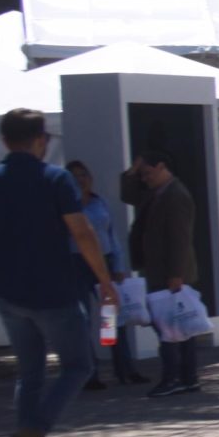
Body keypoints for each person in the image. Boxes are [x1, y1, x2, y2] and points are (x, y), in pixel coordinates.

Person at [0, 108, 117, 437]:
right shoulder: (55, 179)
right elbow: (81, 233)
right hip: (55, 290)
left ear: (4, 141)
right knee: (77, 366)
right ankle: (35, 432)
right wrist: (105, 280)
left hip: (7, 293)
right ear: (41, 140)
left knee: (29, 372)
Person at [123, 148, 202, 397]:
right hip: (161, 271)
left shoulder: (175, 195)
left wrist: (175, 274)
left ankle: (174, 378)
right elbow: (128, 193)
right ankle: (188, 377)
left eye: (147, 172)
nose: (144, 178)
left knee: (169, 330)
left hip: (170, 274)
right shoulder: (157, 193)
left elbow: (180, 238)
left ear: (161, 167)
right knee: (180, 329)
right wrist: (132, 172)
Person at [65, 160, 142, 387]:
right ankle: (90, 373)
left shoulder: (100, 202)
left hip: (105, 261)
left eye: (83, 175)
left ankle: (124, 368)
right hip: (77, 263)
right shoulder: (67, 206)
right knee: (83, 319)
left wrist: (118, 265)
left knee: (112, 318)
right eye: (74, 176)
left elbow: (112, 235)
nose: (80, 180)